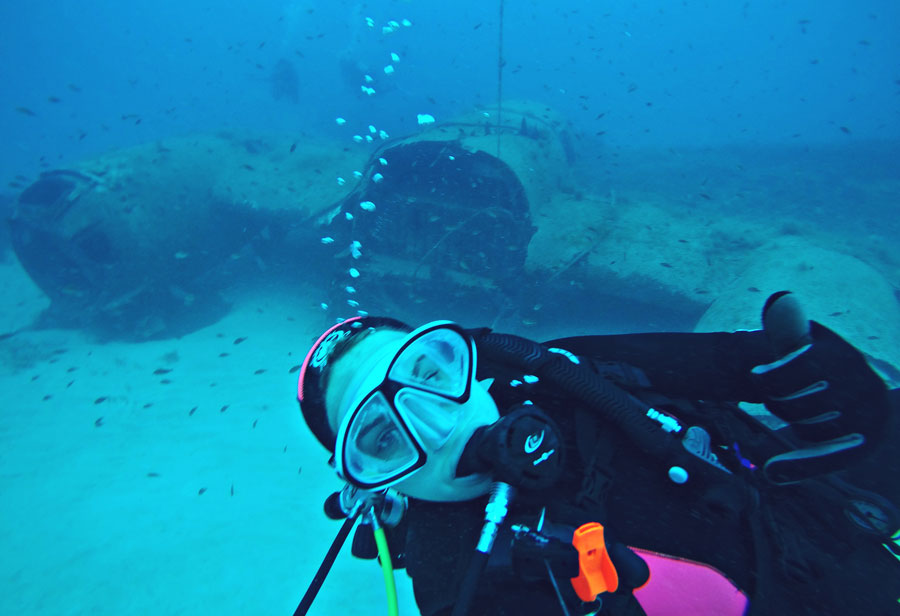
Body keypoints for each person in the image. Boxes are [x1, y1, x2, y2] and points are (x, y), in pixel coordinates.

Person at [296, 292, 900, 616]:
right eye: (382, 438)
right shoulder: (462, 584)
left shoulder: (561, 370)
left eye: (431, 373)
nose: (439, 426)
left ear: (468, 361)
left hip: (830, 509)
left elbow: (737, 363)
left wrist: (826, 376)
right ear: (377, 481)